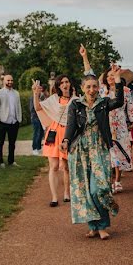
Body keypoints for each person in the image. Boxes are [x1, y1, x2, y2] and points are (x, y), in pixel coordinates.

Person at [60, 71, 126, 240]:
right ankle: (94, 226)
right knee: (86, 190)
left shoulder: (103, 103)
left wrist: (117, 80)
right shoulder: (76, 105)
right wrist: (66, 140)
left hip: (99, 148)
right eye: (88, 86)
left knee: (99, 188)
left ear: (98, 88)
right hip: (81, 150)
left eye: (94, 86)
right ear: (82, 88)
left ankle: (103, 225)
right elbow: (71, 125)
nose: (91, 89)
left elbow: (119, 101)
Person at [80, 45, 133, 193]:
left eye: (113, 76)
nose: (110, 78)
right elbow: (89, 75)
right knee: (107, 153)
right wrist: (85, 57)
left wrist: (132, 122)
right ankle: (107, 180)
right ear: (105, 77)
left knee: (120, 152)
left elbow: (128, 106)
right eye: (108, 75)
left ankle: (117, 181)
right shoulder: (100, 90)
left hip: (120, 125)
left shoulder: (125, 90)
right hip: (104, 124)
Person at [33, 75, 73, 207]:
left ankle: (67, 193)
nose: (65, 84)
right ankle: (54, 197)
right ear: (58, 86)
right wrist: (36, 94)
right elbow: (38, 108)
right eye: (62, 83)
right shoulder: (53, 100)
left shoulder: (76, 100)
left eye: (67, 82)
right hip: (53, 134)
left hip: (68, 135)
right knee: (54, 166)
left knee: (67, 167)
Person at [0, 74, 22, 168]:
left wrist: (19, 119)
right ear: (4, 81)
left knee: (12, 143)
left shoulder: (16, 93)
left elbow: (18, 107)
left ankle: (11, 161)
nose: (10, 82)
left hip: (14, 121)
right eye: (8, 80)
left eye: (11, 80)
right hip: (2, 121)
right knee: (0, 142)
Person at [29, 82, 47, 156]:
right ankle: (34, 148)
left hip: (41, 118)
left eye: (40, 89)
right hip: (35, 118)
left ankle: (39, 147)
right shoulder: (32, 98)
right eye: (38, 89)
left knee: (41, 133)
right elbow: (31, 109)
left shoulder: (42, 97)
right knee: (37, 133)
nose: (40, 90)